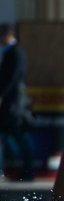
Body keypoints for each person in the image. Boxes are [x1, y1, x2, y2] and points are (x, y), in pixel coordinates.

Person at [0, 23, 33, 180]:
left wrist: (2, 94)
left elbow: (12, 78)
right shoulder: (11, 52)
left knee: (19, 135)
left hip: (14, 103)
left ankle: (28, 171)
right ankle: (19, 169)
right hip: (12, 102)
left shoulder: (15, 53)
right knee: (11, 136)